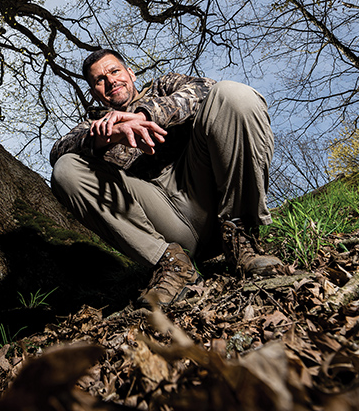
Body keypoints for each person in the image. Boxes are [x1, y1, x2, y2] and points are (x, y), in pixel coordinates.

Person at [50, 48, 283, 306]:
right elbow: (58, 151)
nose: (110, 81)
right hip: (164, 220)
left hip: (207, 196)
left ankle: (241, 235)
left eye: (115, 71)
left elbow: (206, 89)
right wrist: (111, 134)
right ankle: (172, 265)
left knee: (234, 95)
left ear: (131, 73)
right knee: (65, 169)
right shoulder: (92, 128)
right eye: (99, 80)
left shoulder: (164, 86)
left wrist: (144, 115)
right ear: (95, 92)